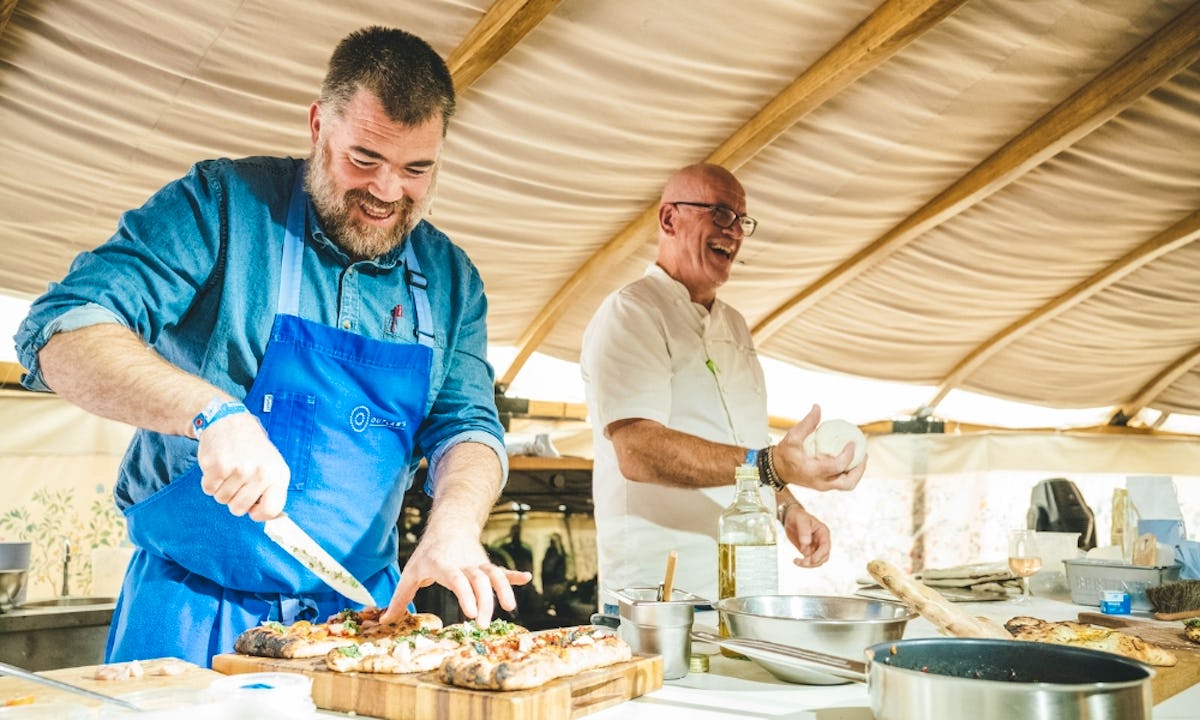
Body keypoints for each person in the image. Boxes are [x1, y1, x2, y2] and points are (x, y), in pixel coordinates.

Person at [13, 26, 530, 666]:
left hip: (362, 628)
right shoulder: (222, 208)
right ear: (318, 126)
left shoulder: (451, 280)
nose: (388, 192)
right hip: (191, 621)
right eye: (364, 159)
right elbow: (61, 331)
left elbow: (469, 426)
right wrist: (211, 412)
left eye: (416, 169)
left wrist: (454, 523)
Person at [580, 163, 866, 610]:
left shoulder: (735, 324)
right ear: (669, 219)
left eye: (741, 220)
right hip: (662, 594)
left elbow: (745, 447)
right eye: (719, 213)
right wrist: (771, 465)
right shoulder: (632, 311)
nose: (733, 231)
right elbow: (637, 450)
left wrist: (788, 507)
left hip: (745, 587)